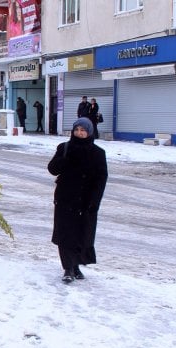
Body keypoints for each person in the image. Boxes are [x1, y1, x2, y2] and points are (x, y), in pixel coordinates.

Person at [47, 117, 108, 283]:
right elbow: (52, 169)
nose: (79, 133)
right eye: (77, 130)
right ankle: (68, 267)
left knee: (83, 234)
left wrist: (94, 202)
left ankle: (76, 266)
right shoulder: (64, 148)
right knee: (66, 234)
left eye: (83, 130)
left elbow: (101, 179)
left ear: (89, 132)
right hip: (65, 199)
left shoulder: (98, 153)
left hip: (86, 201)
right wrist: (66, 160)